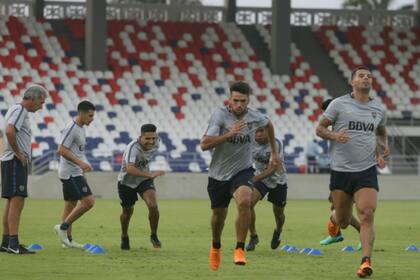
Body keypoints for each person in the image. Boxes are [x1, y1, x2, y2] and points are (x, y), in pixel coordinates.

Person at [316, 66, 389, 278]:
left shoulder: (379, 109)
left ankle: (366, 261)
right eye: (361, 76)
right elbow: (319, 129)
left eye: (369, 76)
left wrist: (382, 148)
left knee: (367, 213)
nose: (366, 78)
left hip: (366, 170)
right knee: (343, 221)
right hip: (340, 171)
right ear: (352, 82)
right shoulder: (339, 104)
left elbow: (381, 131)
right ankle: (334, 219)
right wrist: (335, 136)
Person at [201, 81, 280, 270]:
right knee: (219, 215)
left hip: (242, 170)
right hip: (218, 174)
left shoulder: (255, 117)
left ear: (248, 100)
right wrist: (229, 134)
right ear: (229, 99)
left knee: (245, 202)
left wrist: (275, 153)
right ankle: (216, 246)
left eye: (243, 101)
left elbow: (269, 124)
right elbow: (204, 144)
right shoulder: (219, 116)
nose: (239, 105)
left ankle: (239, 248)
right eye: (235, 100)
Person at [0, 84, 47, 254]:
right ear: (32, 98)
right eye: (41, 102)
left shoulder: (17, 110)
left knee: (12, 201)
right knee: (17, 200)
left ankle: (6, 242)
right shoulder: (20, 110)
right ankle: (13, 243)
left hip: (10, 161)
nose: (41, 106)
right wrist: (19, 153)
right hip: (14, 161)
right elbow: (10, 131)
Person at [319, 98, 362, 248]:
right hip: (339, 171)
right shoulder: (334, 128)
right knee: (335, 206)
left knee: (341, 210)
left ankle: (364, 234)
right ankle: (336, 234)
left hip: (352, 172)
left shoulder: (347, 126)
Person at [54, 101, 96, 248]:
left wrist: (81, 169)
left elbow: (76, 151)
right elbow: (61, 150)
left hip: (74, 172)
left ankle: (67, 240)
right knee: (89, 202)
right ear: (82, 113)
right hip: (70, 173)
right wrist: (80, 164)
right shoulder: (71, 128)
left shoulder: (81, 128)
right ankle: (63, 227)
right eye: (90, 115)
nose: (92, 118)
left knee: (70, 205)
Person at [117, 124, 165, 250]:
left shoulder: (157, 143)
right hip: (126, 182)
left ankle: (154, 235)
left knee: (153, 206)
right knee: (127, 212)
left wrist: (148, 176)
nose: (151, 142)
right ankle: (124, 235)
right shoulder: (133, 148)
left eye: (153, 138)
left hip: (143, 180)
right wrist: (149, 174)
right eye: (147, 139)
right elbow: (130, 168)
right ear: (140, 137)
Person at [245, 126, 287, 251]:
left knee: (279, 213)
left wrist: (253, 179)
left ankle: (278, 232)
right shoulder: (250, 142)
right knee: (248, 204)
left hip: (278, 180)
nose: (258, 134)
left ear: (268, 132)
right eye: (256, 131)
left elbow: (272, 169)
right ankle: (253, 236)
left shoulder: (276, 144)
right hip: (261, 180)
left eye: (261, 131)